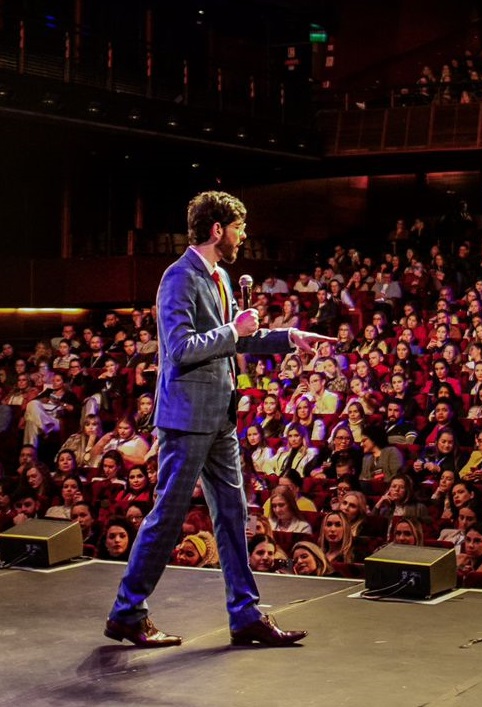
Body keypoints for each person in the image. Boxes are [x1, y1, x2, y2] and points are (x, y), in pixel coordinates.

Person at [107, 191, 331, 648]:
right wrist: (234, 330)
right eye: (238, 228)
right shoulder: (179, 278)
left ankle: (245, 615)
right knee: (169, 515)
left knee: (232, 514)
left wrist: (288, 337)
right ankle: (127, 612)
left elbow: (236, 341)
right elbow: (182, 347)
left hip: (220, 419)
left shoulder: (222, 277)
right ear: (217, 230)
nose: (243, 236)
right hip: (187, 418)